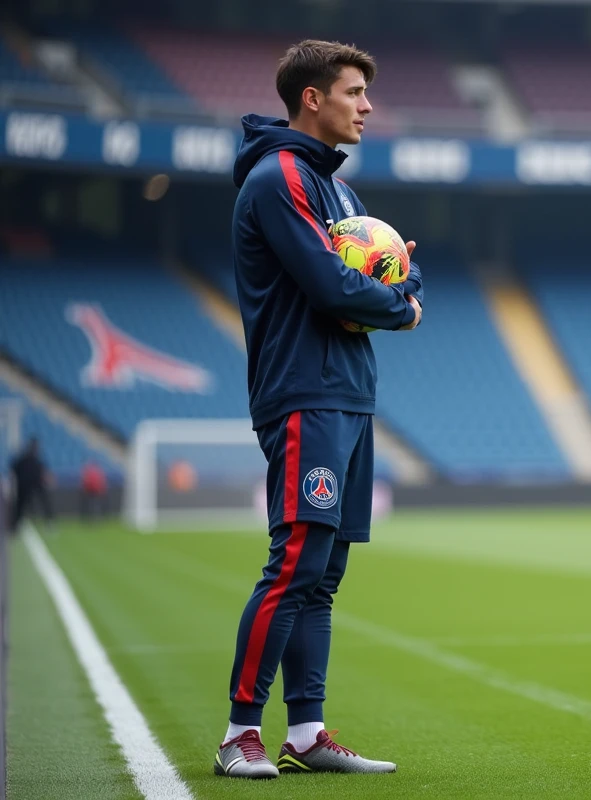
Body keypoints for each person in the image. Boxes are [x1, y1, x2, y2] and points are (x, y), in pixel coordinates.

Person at [214, 39, 424, 780]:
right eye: (354, 91)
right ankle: (240, 732)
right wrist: (399, 309)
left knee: (323, 572)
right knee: (295, 560)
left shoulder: (340, 192)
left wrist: (393, 295)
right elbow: (335, 289)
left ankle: (305, 733)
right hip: (304, 391)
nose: (367, 106)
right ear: (313, 97)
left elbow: (402, 266)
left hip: (348, 393)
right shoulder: (280, 178)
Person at [8, 438, 53, 532]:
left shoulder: (35, 460)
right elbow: (14, 470)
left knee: (43, 503)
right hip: (25, 486)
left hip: (33, 485)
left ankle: (49, 521)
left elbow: (43, 473)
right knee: (20, 506)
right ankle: (15, 525)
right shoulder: (25, 459)